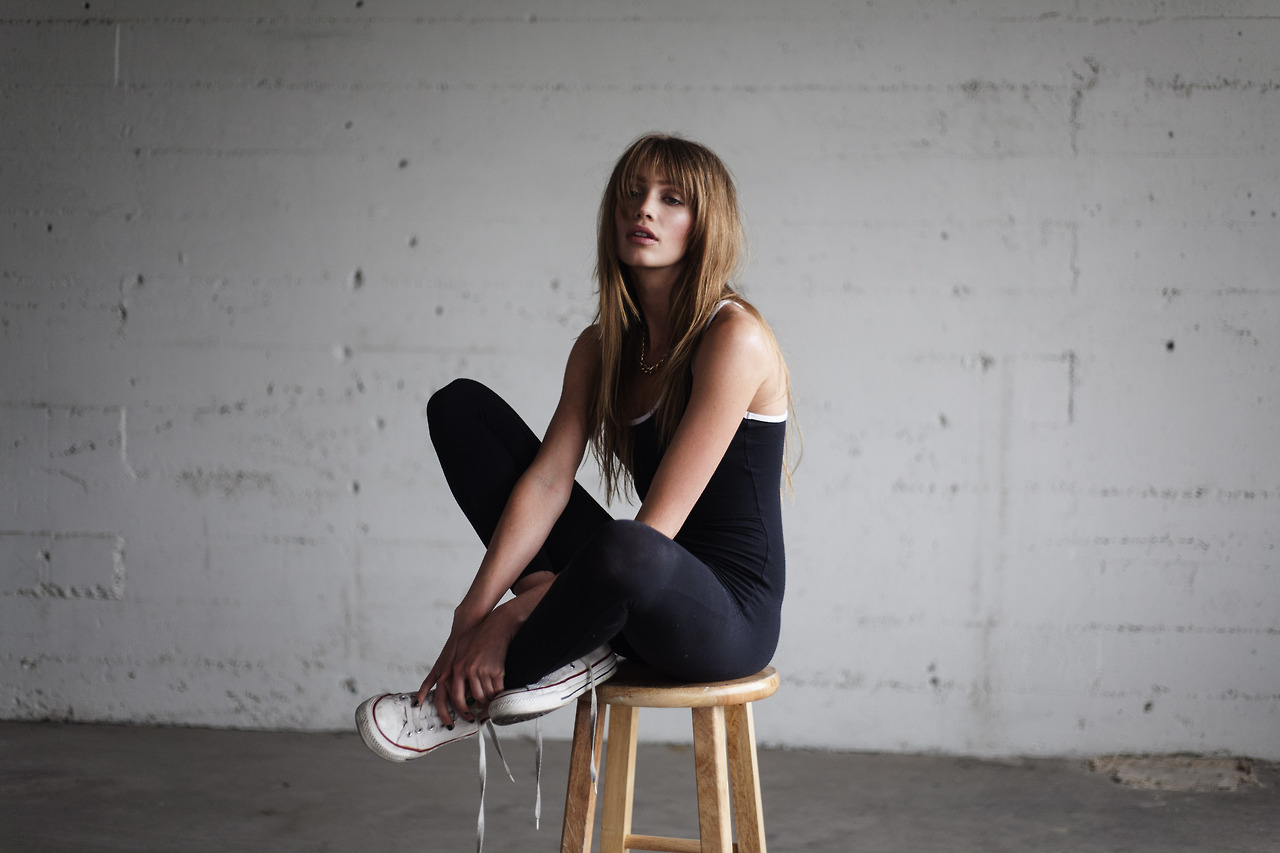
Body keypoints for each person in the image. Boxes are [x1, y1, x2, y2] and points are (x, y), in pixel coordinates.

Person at [356, 133, 792, 769]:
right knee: (461, 409)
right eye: (632, 193)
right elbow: (547, 483)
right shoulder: (603, 346)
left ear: (705, 226)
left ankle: (458, 705)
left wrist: (512, 619)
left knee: (627, 545)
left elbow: (657, 532)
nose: (644, 209)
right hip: (628, 584)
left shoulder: (734, 337)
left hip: (723, 620)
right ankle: (571, 629)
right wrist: (472, 614)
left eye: (671, 199)